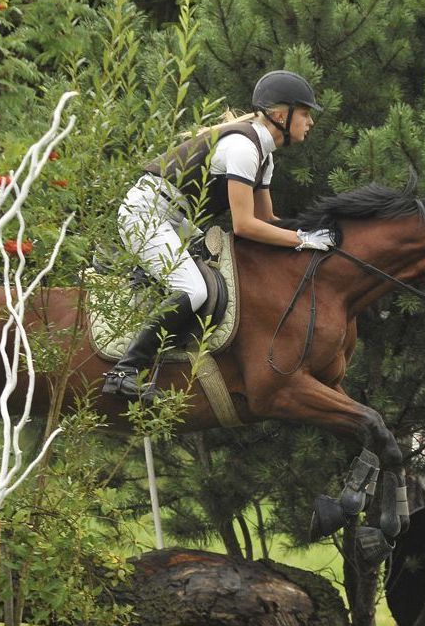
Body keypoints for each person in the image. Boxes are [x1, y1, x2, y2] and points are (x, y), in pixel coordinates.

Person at [103, 70, 336, 400]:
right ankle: (124, 371)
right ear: (282, 115)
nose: (310, 121)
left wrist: (307, 234)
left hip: (175, 219)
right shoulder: (244, 148)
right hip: (147, 214)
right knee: (194, 290)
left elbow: (267, 219)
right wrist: (300, 240)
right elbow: (244, 225)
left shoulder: (264, 156)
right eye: (306, 113)